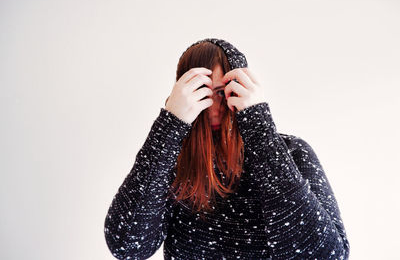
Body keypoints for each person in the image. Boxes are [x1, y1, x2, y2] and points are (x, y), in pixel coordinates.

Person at [104, 38, 350, 260]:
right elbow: (127, 246)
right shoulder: (174, 159)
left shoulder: (292, 151)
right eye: (201, 93)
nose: (213, 108)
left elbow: (327, 255)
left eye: (222, 93)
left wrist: (259, 126)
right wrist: (169, 125)